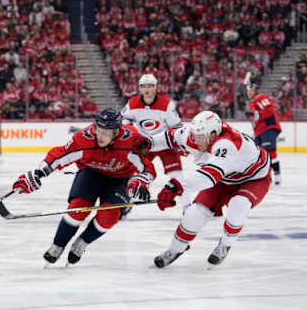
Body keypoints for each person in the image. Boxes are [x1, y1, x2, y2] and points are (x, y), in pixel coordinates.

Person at [12, 108, 156, 266]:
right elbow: (60, 154)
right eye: (98, 130)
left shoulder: (130, 141)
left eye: (106, 133)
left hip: (120, 179)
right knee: (78, 208)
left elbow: (147, 167)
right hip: (91, 174)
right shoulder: (84, 139)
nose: (100, 136)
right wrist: (39, 173)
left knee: (109, 217)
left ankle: (82, 242)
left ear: (116, 132)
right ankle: (58, 244)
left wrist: (143, 180)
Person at [151, 111, 271, 267]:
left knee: (238, 206)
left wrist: (176, 187)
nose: (195, 140)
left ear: (213, 134)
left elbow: (208, 177)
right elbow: (170, 136)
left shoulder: (227, 144)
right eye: (194, 135)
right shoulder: (199, 134)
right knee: (193, 214)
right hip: (224, 176)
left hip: (253, 179)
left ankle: (225, 244)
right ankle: (175, 249)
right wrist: (147, 142)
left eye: (199, 137)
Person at [121, 74, 184, 215]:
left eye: (150, 86)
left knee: (177, 174)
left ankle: (188, 207)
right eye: (143, 86)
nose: (147, 89)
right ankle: (126, 203)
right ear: (140, 88)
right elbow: (125, 121)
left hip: (164, 143)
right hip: (145, 144)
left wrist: (179, 144)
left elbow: (177, 126)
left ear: (155, 87)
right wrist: (129, 133)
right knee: (135, 173)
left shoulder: (166, 104)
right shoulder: (132, 103)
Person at [245, 81, 282, 185]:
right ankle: (267, 177)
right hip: (259, 131)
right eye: (248, 91)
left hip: (268, 128)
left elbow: (269, 109)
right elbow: (255, 121)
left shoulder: (261, 98)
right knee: (261, 156)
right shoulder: (252, 103)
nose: (249, 93)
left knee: (270, 153)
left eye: (251, 90)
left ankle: (277, 177)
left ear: (256, 90)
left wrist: (256, 113)